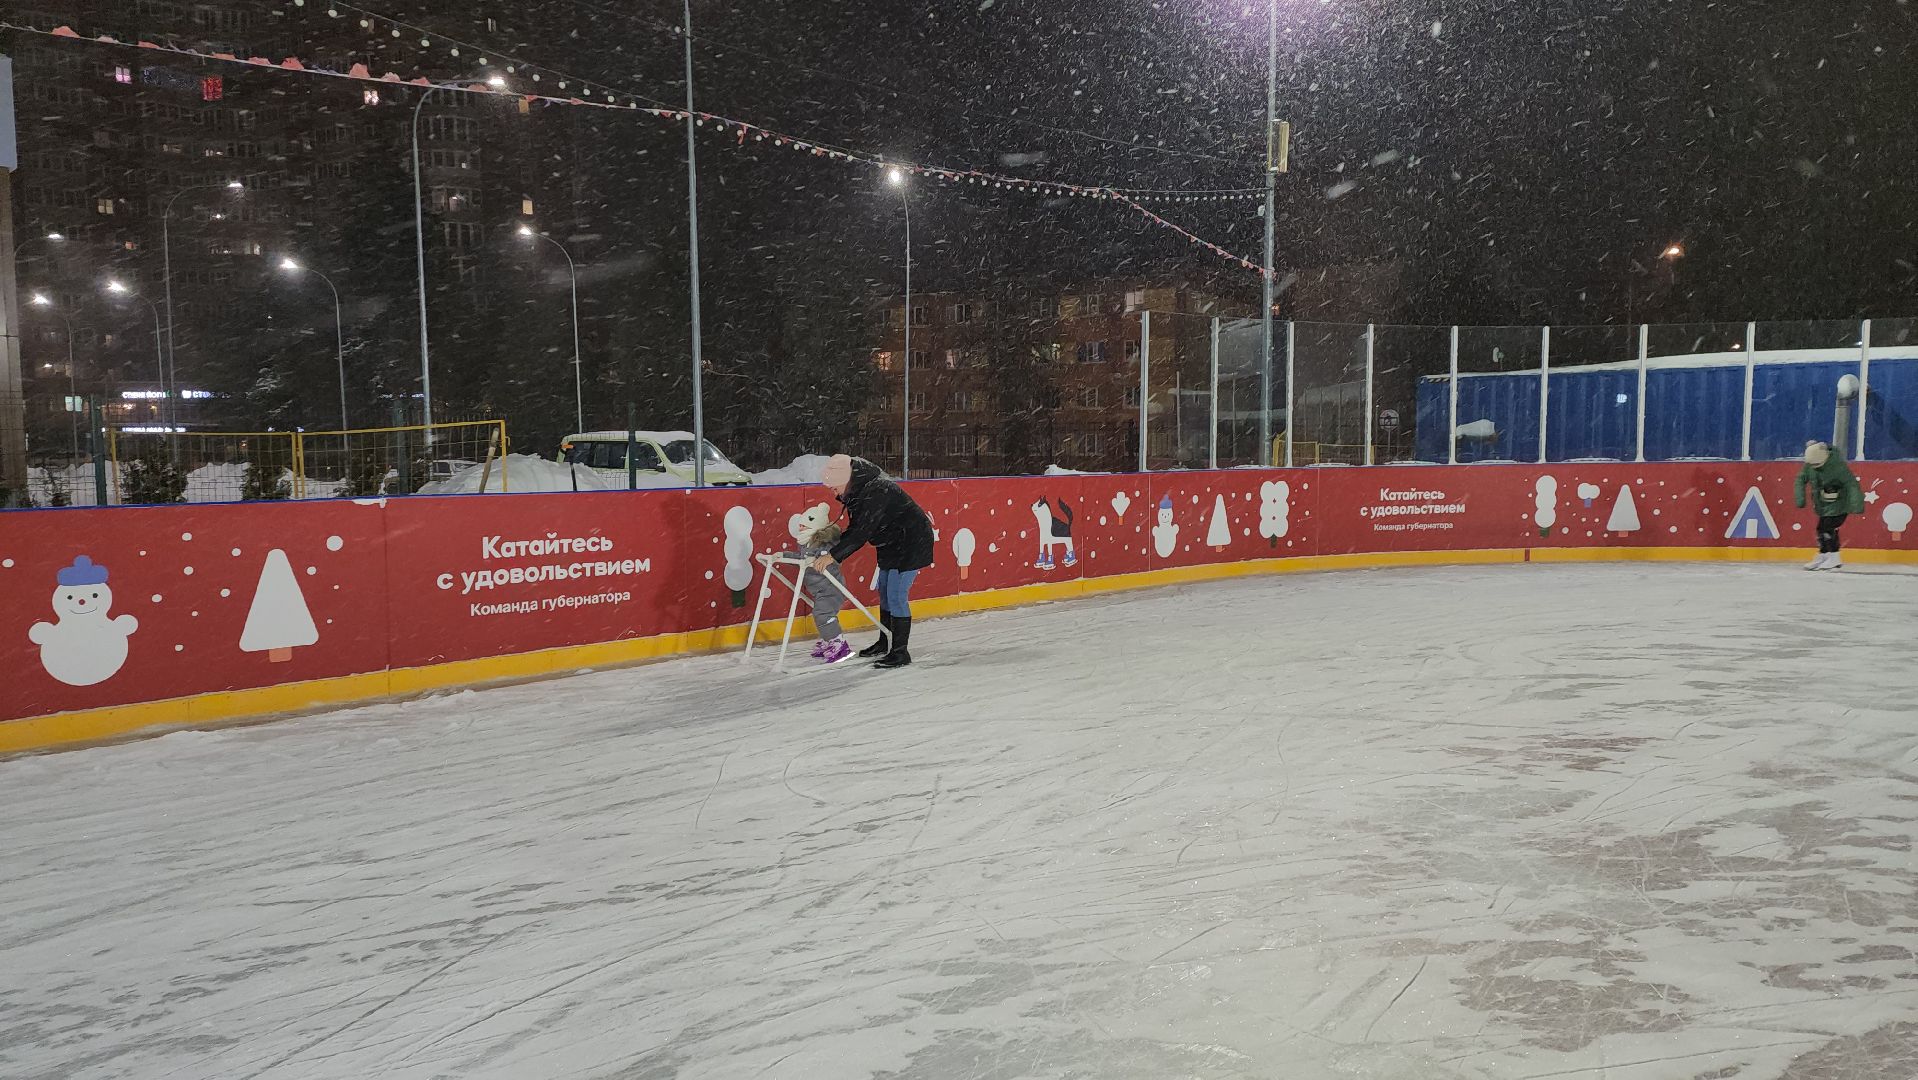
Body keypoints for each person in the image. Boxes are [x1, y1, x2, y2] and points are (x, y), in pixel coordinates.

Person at [813, 454, 935, 669]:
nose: (833, 493)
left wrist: (832, 556)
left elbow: (862, 532)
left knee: (896, 596)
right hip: (890, 542)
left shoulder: (877, 491)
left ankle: (900, 652)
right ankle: (884, 642)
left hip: (910, 542)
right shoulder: (857, 493)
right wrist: (831, 544)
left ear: (846, 479)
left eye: (834, 487)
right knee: (886, 593)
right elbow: (855, 529)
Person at [783, 505, 852, 664]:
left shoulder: (824, 542)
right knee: (821, 614)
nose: (801, 526)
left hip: (831, 588)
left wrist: (819, 557)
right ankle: (829, 640)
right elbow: (801, 559)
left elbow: (828, 555)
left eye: (805, 523)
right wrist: (782, 556)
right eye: (801, 523)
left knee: (823, 614)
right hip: (819, 589)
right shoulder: (806, 543)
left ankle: (838, 643)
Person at [1795, 440, 1864, 571]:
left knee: (1827, 529)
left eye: (1817, 464)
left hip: (1840, 504)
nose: (1814, 467)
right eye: (1812, 465)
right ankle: (1824, 555)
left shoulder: (1837, 467)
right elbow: (1801, 478)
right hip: (1823, 504)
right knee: (1822, 529)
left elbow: (1852, 484)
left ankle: (1834, 557)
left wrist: (1856, 504)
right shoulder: (1811, 463)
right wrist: (1800, 497)